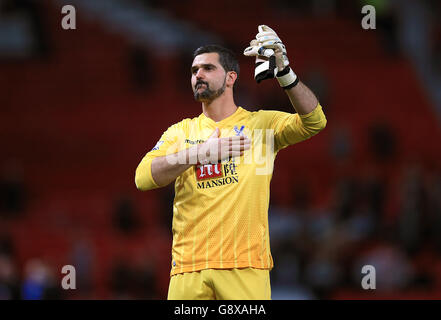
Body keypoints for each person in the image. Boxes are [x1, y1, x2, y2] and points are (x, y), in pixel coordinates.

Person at [135, 25, 327, 300]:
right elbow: (142, 178)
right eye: (194, 70)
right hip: (188, 269)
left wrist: (285, 73)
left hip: (245, 267)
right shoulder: (181, 132)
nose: (198, 75)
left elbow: (315, 122)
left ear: (230, 77)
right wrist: (200, 153)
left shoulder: (261, 126)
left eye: (207, 68)